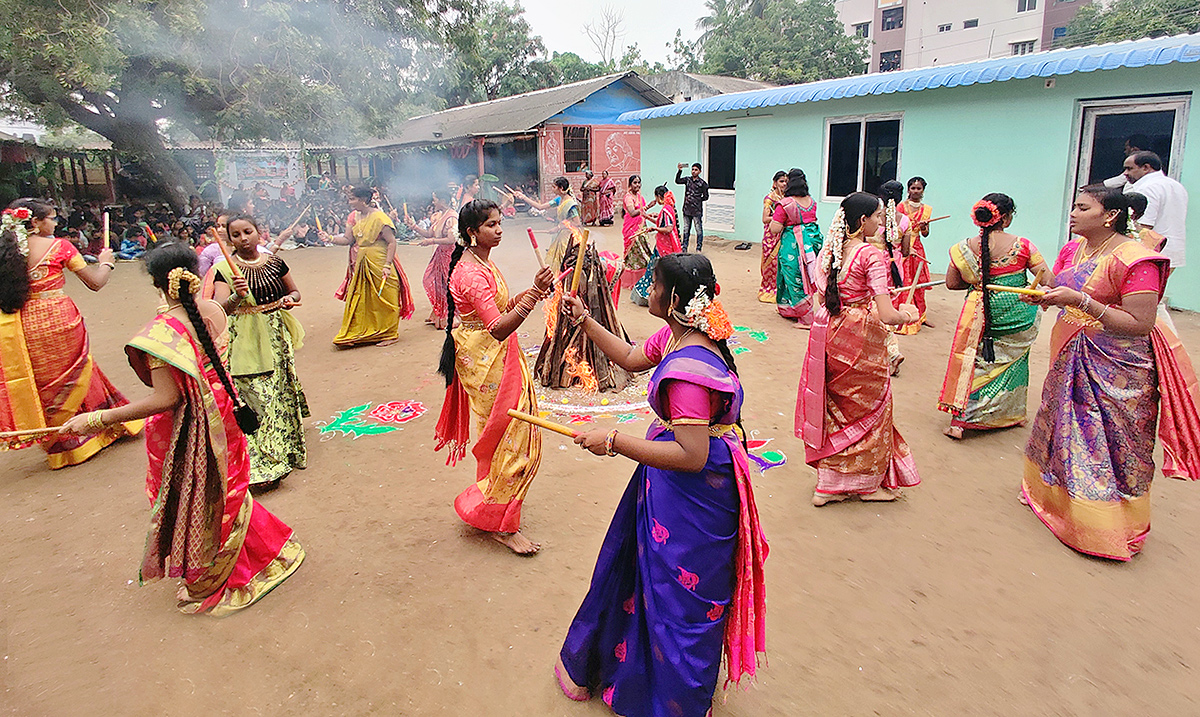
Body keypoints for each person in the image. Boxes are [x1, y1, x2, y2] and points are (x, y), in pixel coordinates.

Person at [554, 253, 768, 715]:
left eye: (653, 286)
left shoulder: (688, 368)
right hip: (673, 489)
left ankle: (677, 702)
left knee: (680, 603)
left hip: (692, 498)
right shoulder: (682, 335)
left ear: (673, 299)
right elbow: (632, 358)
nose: (646, 290)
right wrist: (587, 321)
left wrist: (613, 440)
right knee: (652, 585)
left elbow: (691, 456)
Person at [60, 243, 305, 612]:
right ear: (195, 272)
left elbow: (165, 399)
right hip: (225, 409)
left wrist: (97, 418)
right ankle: (264, 551)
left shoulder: (160, 334)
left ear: (157, 284)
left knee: (199, 494)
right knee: (229, 487)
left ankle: (220, 574)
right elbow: (216, 320)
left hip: (192, 424)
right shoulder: (212, 312)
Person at [1022, 185, 1200, 561]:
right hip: (1071, 350)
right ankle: (1056, 504)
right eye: (1073, 205)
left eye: (1083, 207)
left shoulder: (1136, 260)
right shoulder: (1074, 249)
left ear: (1110, 216)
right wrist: (1042, 294)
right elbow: (1061, 286)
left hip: (1118, 367)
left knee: (1110, 444)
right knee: (1062, 427)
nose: (1072, 212)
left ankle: (1102, 529)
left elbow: (1139, 323)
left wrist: (1081, 302)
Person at [434, 200, 554, 555]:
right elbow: (499, 328)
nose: (499, 229)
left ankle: (497, 502)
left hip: (490, 354)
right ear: (472, 232)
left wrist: (533, 289)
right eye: (491, 225)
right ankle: (502, 524)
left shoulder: (481, 262)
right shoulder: (471, 273)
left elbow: (501, 307)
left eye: (500, 223)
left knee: (507, 436)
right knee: (511, 439)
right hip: (487, 359)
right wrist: (533, 297)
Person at [796, 192, 921, 506]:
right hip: (861, 334)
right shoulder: (870, 254)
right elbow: (889, 314)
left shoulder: (830, 252)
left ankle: (827, 484)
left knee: (837, 406)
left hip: (831, 329)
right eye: (877, 217)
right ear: (863, 221)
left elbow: (825, 297)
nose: (880, 222)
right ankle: (862, 483)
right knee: (869, 406)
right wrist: (908, 313)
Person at [0, 199, 142, 468]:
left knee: (44, 379)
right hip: (59, 320)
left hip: (21, 326)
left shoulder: (6, 253)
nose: (55, 223)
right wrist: (106, 262)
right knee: (78, 371)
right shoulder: (60, 247)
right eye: (51, 218)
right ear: (35, 223)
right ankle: (90, 431)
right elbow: (96, 283)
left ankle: (60, 438)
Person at [207, 214, 309, 488]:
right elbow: (219, 311)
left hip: (277, 333)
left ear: (258, 232)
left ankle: (286, 449)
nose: (243, 239)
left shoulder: (275, 262)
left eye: (247, 231)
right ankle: (262, 463)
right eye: (236, 235)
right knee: (255, 394)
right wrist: (236, 295)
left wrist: (289, 299)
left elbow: (296, 292)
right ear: (229, 240)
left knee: (280, 391)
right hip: (247, 338)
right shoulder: (224, 270)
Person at [938, 194, 1051, 439]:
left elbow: (951, 284)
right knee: (1014, 363)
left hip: (977, 313)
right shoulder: (1023, 245)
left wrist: (978, 285)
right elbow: (1048, 280)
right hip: (1017, 314)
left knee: (972, 360)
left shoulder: (961, 248)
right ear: (1007, 219)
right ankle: (1010, 415)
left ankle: (960, 421)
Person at [321, 186, 415, 347]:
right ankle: (360, 333)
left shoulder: (380, 218)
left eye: (352, 199)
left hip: (380, 260)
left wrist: (387, 265)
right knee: (362, 297)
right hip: (362, 262)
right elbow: (348, 239)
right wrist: (329, 238)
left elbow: (391, 242)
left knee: (386, 296)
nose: (350, 202)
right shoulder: (354, 217)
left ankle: (390, 333)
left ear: (363, 200)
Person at [768, 169, 823, 325]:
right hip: (812, 243)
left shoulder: (786, 204)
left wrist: (773, 218)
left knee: (795, 277)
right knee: (808, 274)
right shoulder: (812, 201)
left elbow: (775, 228)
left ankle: (805, 318)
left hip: (794, 246)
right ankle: (789, 309)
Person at [1122, 151, 1188, 268]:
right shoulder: (1175, 185)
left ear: (1146, 167)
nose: (1125, 173)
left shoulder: (1147, 188)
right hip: (1172, 250)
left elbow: (1143, 226)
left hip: (1151, 253)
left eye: (1129, 169)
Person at [872, 180, 911, 374]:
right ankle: (890, 351)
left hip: (873, 267)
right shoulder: (904, 220)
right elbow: (905, 250)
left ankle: (891, 352)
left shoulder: (873, 218)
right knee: (888, 310)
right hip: (894, 270)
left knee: (873, 311)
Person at [406, 191, 458, 329]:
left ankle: (448, 316)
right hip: (440, 254)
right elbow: (429, 233)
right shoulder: (440, 216)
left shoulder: (452, 217)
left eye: (435, 199)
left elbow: (451, 239)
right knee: (433, 281)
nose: (433, 202)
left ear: (443, 200)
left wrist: (431, 241)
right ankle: (439, 313)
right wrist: (414, 227)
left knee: (446, 285)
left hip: (449, 255)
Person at [513, 177, 580, 271]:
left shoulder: (570, 204)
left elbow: (577, 223)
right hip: (560, 235)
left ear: (561, 188)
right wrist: (523, 197)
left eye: (554, 187)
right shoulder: (558, 200)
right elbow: (540, 207)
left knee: (565, 261)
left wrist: (559, 227)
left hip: (568, 237)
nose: (552, 189)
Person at [631, 186, 683, 306]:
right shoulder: (669, 208)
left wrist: (655, 228)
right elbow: (663, 224)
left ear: (659, 197)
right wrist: (648, 217)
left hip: (664, 247)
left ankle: (650, 297)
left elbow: (668, 228)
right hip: (663, 245)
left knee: (656, 271)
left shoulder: (666, 210)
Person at [895, 176, 934, 331]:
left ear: (923, 190)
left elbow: (925, 234)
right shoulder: (900, 208)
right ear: (908, 190)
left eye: (919, 188)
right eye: (913, 188)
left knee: (918, 283)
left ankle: (921, 316)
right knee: (903, 281)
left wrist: (924, 227)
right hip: (902, 248)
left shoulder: (927, 210)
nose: (916, 191)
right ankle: (899, 314)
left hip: (917, 249)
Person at [618, 175, 650, 306]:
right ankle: (632, 282)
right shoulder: (628, 197)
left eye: (639, 183)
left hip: (641, 229)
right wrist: (647, 208)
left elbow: (642, 213)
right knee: (635, 255)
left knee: (645, 253)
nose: (637, 185)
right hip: (632, 231)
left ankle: (642, 281)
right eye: (635, 183)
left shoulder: (640, 197)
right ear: (630, 184)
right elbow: (632, 212)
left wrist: (650, 216)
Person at [759, 170, 787, 303]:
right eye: (781, 181)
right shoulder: (769, 199)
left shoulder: (787, 199)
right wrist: (779, 218)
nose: (784, 184)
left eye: (786, 181)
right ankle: (768, 290)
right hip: (771, 236)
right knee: (771, 264)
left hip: (784, 235)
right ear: (775, 183)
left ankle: (781, 291)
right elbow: (765, 219)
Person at [674, 162, 709, 252]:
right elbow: (677, 181)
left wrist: (697, 200)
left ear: (700, 171)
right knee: (686, 229)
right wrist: (679, 170)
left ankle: (698, 248)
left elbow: (706, 196)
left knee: (698, 229)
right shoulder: (687, 180)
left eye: (696, 170)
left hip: (696, 210)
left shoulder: (703, 183)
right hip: (686, 209)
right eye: (692, 169)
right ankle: (684, 247)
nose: (693, 171)